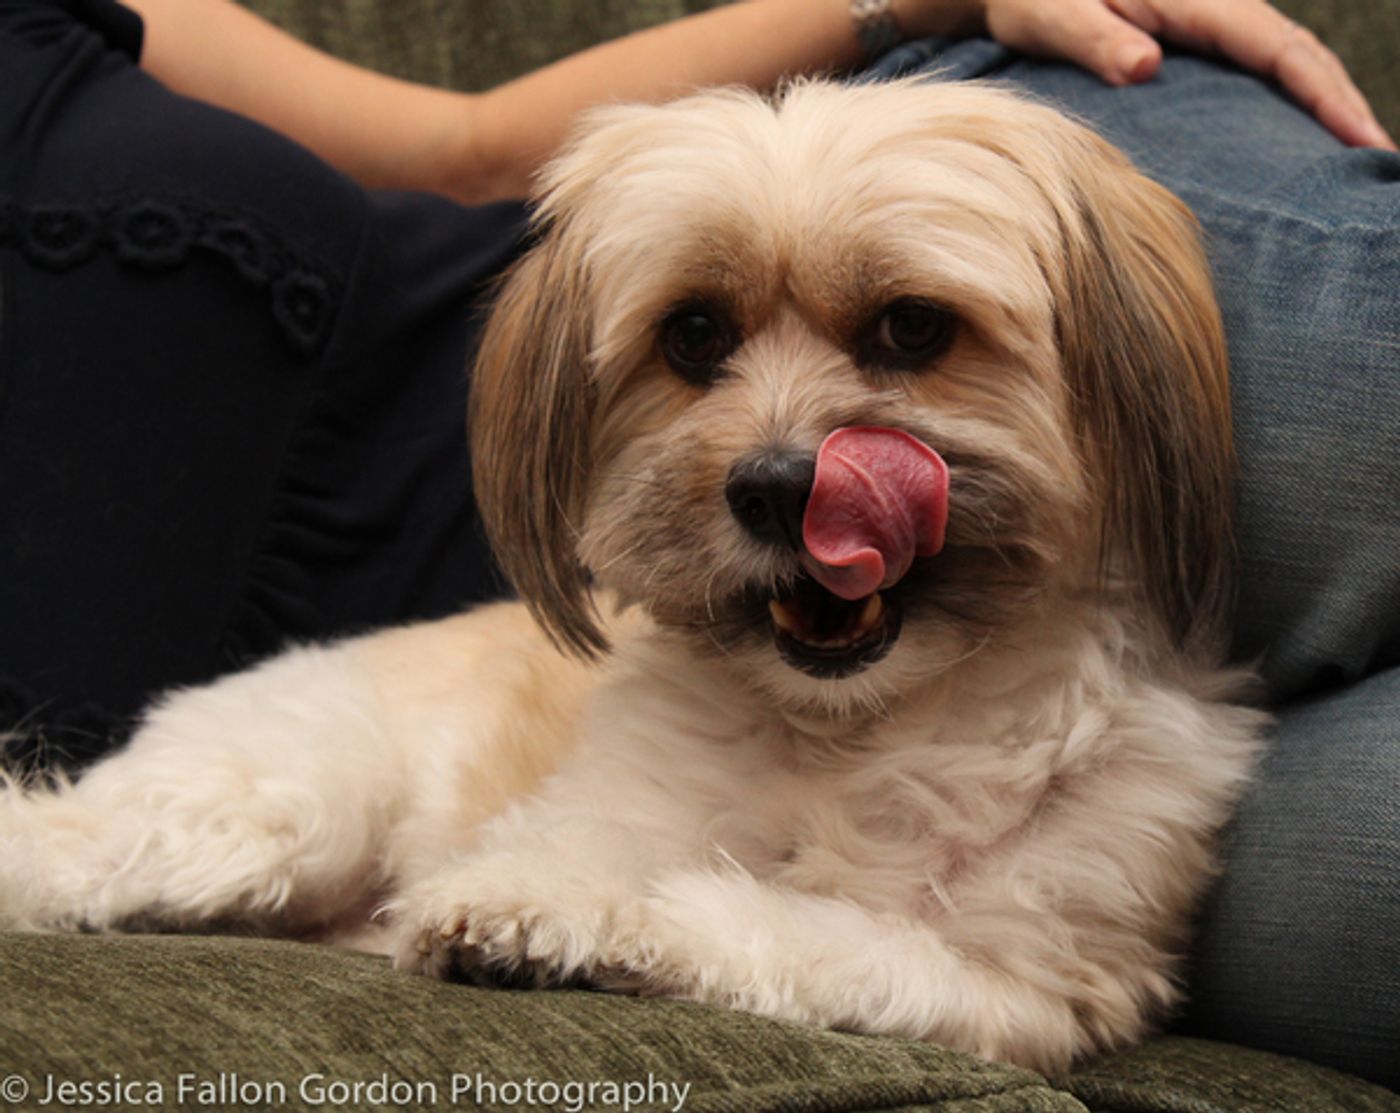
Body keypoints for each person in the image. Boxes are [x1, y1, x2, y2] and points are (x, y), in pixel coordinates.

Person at [1, 0, 1396, 1091]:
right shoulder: (647, 696)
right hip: (561, 592)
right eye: (700, 342)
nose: (784, 457)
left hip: (962, 116)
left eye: (907, 334)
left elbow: (475, 150)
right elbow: (1029, 989)